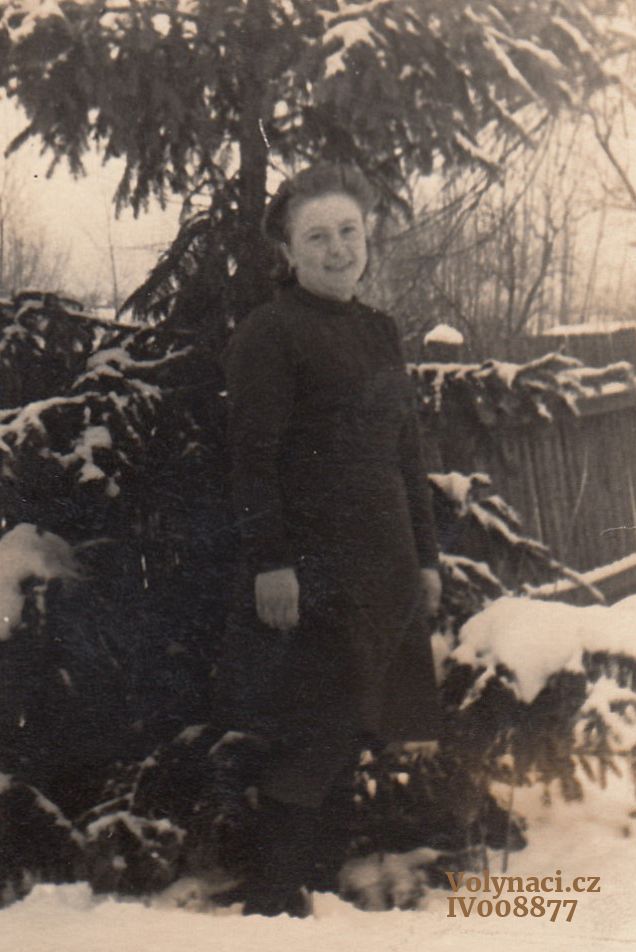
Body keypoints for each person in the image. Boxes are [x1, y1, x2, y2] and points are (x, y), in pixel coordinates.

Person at [218, 162, 442, 915]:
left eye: (350, 231)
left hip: (384, 561)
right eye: (317, 237)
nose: (339, 248)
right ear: (288, 250)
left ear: (368, 236)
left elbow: (406, 453)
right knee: (315, 733)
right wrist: (271, 563)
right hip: (312, 569)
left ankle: (321, 898)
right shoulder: (270, 332)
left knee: (356, 726)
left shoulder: (379, 330)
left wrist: (426, 557)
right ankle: (274, 902)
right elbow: (251, 459)